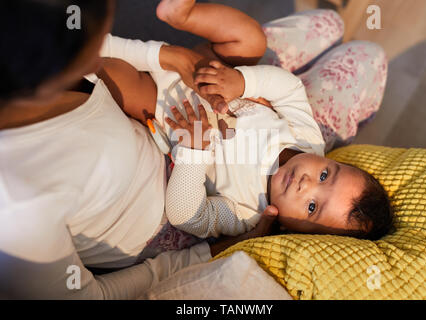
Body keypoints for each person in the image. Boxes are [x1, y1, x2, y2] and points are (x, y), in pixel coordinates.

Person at [0, 0, 275, 299]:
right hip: (177, 225)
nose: (99, 60)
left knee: (244, 48)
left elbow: (81, 33)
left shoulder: (29, 54)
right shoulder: (16, 207)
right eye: (90, 50)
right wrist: (208, 255)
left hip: (166, 139)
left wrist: (163, 55)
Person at [157, 0, 393, 240]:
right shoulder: (309, 142)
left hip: (176, 108)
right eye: (324, 175)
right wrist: (243, 82)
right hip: (232, 84)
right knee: (329, 24)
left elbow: (189, 216)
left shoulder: (247, 214)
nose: (306, 183)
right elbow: (290, 91)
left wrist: (193, 154)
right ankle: (183, 17)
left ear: (293, 232)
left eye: (312, 207)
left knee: (364, 52)